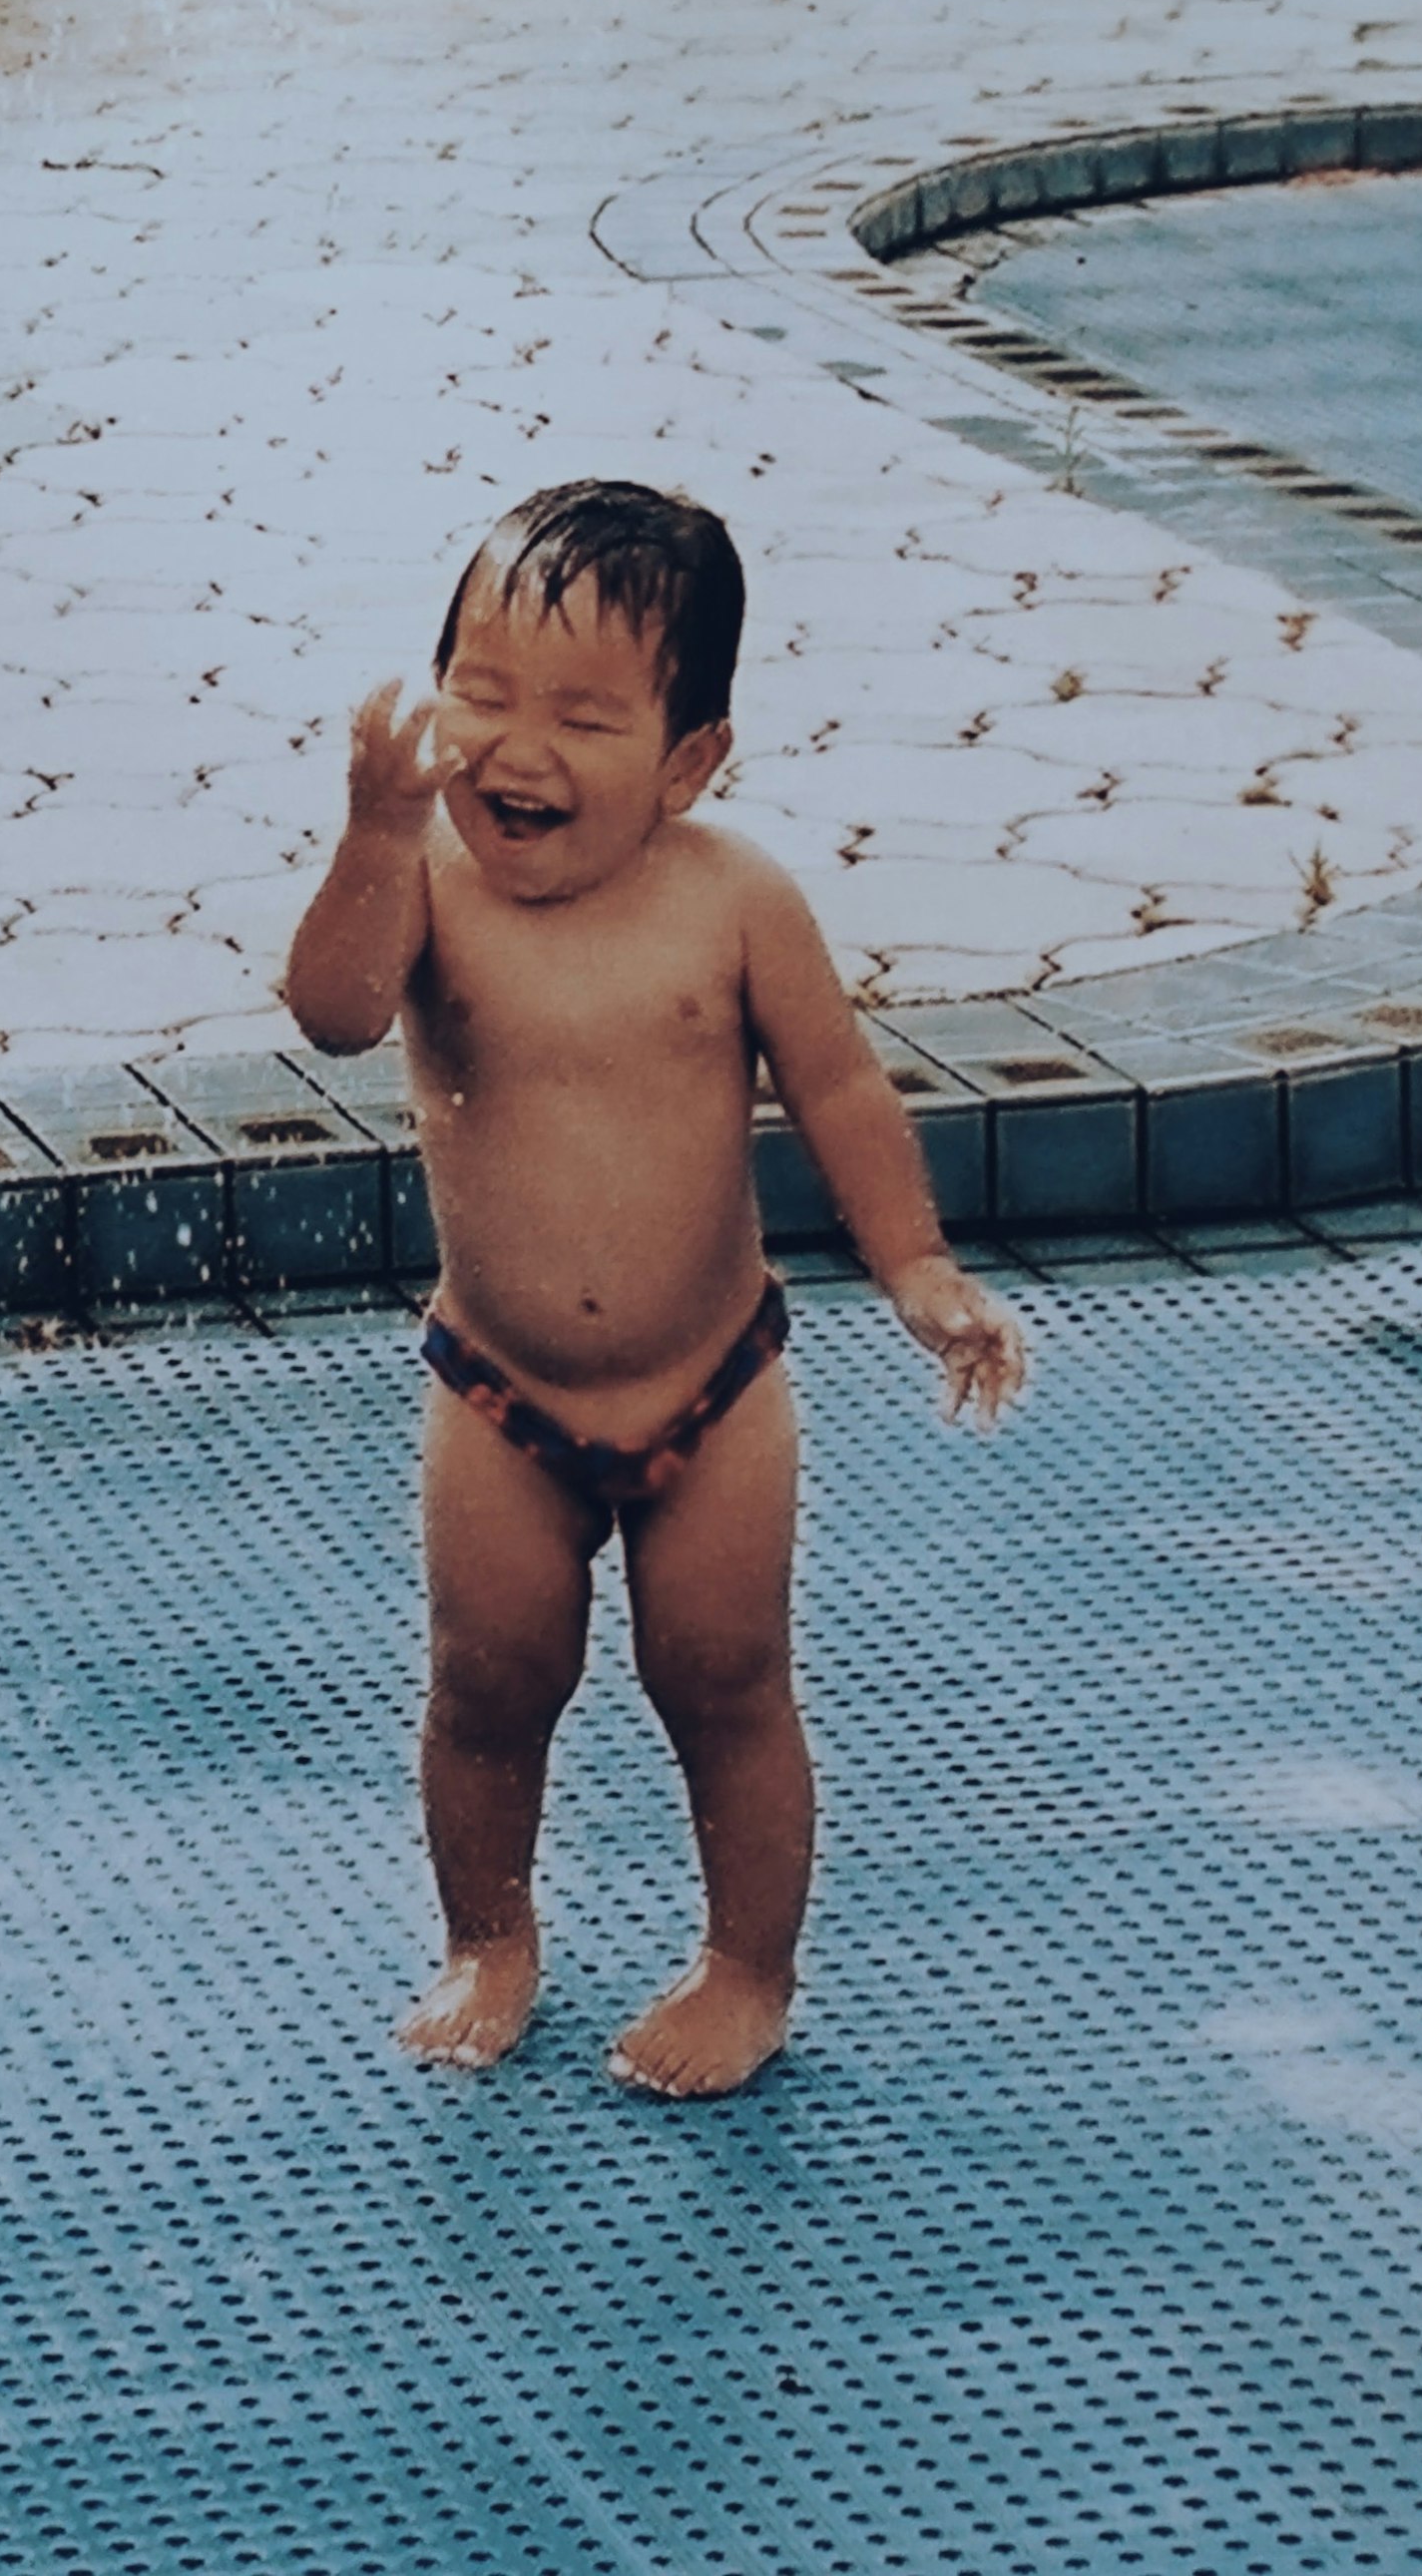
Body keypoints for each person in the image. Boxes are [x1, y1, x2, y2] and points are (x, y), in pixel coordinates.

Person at [282, 477, 1028, 2102]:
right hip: (498, 1391)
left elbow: (839, 1093)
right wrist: (368, 832)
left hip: (715, 1386)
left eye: (582, 715)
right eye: (478, 692)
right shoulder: (428, 891)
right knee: (486, 1685)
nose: (516, 748)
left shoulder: (734, 903)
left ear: (691, 759)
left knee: (726, 1681)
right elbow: (334, 1015)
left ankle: (747, 1968)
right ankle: (490, 1937)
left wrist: (916, 1271)